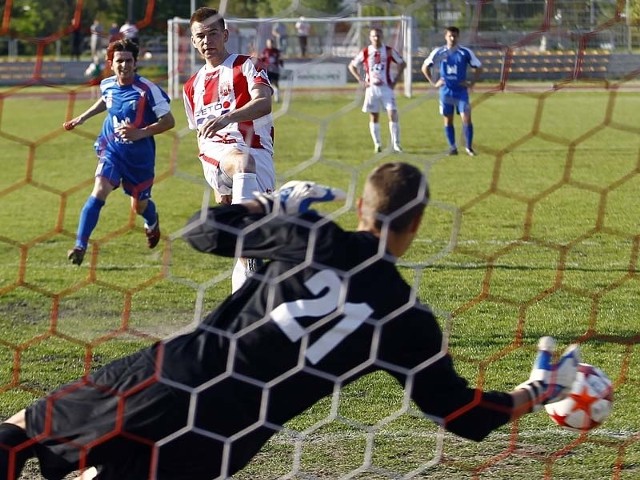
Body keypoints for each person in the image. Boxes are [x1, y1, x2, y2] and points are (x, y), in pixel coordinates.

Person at [0, 162, 580, 480]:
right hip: (225, 438)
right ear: (418, 223)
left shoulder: (311, 237)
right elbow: (459, 415)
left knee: (25, 430)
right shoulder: (407, 319)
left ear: (361, 209)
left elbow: (202, 232)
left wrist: (268, 205)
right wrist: (534, 392)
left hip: (172, 376)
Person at [182, 7, 276, 293]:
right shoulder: (191, 86)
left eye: (212, 34)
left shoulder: (248, 65)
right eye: (201, 36)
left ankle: (241, 302)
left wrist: (227, 116)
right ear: (194, 41)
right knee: (242, 161)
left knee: (259, 239)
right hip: (225, 158)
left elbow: (264, 103)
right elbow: (201, 135)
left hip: (259, 157)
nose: (207, 40)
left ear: (225, 35)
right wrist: (217, 184)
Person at [62, 39, 175, 266]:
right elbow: (106, 101)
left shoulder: (148, 90)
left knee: (140, 206)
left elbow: (169, 121)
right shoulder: (107, 84)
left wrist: (140, 133)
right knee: (99, 190)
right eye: (119, 61)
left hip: (139, 158)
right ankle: (80, 245)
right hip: (111, 149)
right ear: (111, 63)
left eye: (128, 61)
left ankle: (152, 223)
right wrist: (82, 117)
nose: (123, 65)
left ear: (135, 63)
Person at [421, 26, 482, 157]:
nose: (452, 38)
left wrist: (471, 83)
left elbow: (478, 67)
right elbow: (425, 67)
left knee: (466, 118)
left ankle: (469, 147)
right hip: (445, 91)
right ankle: (452, 147)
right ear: (446, 37)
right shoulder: (438, 52)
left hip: (461, 92)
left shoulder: (465, 52)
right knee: (448, 120)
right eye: (450, 36)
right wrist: (433, 83)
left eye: (455, 36)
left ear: (458, 37)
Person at [348, 28, 406, 154]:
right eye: (374, 36)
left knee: (393, 114)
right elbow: (352, 66)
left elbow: (402, 63)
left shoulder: (389, 51)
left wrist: (395, 80)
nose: (376, 38)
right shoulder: (365, 52)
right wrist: (361, 80)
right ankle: (377, 144)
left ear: (382, 36)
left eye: (378, 36)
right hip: (371, 89)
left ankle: (396, 144)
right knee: (374, 116)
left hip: (387, 88)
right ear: (370, 37)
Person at [260, 37, 284, 103]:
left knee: (276, 83)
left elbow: (280, 59)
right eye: (269, 43)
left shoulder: (276, 51)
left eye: (271, 43)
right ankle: (266, 98)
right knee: (267, 84)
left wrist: (281, 65)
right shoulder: (265, 51)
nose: (270, 44)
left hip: (275, 70)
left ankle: (277, 98)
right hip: (268, 70)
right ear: (267, 44)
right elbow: (262, 60)